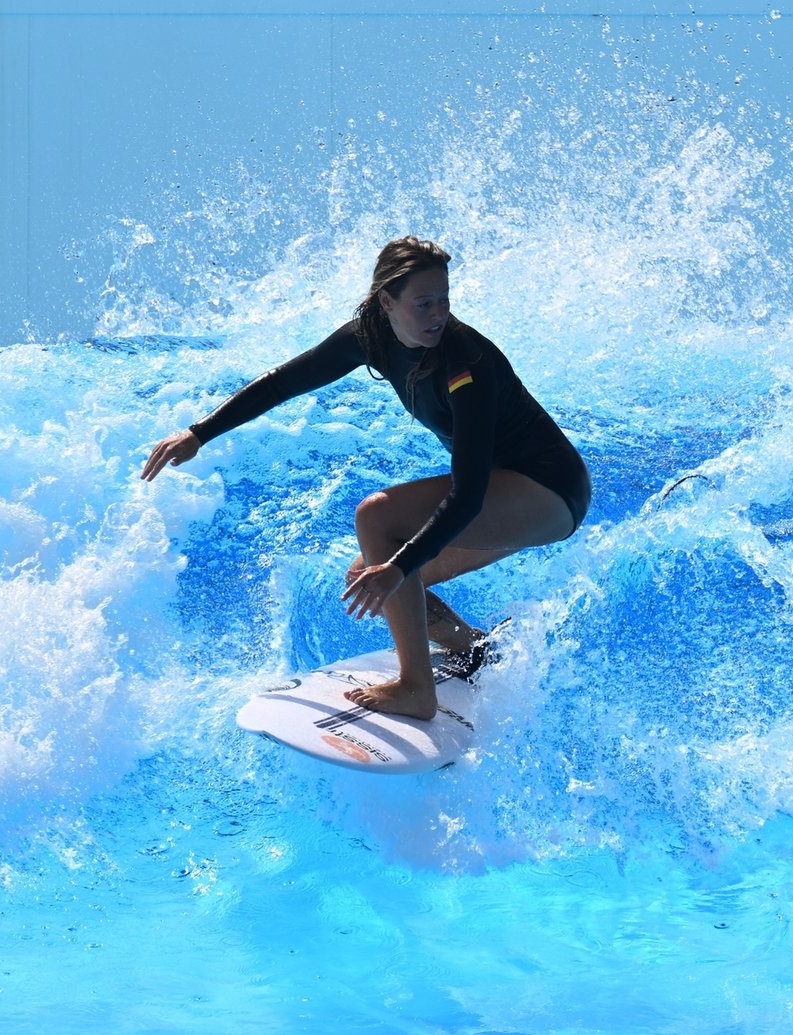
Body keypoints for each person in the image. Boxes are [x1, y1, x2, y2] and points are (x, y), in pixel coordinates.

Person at [141, 236, 591, 720]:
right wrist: (199, 433)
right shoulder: (369, 337)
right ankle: (476, 651)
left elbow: (469, 493)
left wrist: (398, 567)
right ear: (386, 302)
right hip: (504, 493)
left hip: (546, 490)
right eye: (423, 303)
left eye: (443, 300)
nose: (437, 314)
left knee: (377, 520)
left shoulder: (465, 363)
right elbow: (286, 381)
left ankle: (417, 688)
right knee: (368, 577)